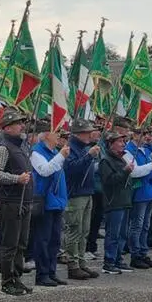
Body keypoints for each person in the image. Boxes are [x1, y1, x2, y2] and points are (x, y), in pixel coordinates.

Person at [0, 107, 34, 296]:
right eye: (18, 123)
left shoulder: (20, 146)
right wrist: (16, 179)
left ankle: (16, 277)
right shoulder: (3, 147)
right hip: (10, 202)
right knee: (9, 243)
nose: (22, 126)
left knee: (21, 243)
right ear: (7, 128)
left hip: (23, 201)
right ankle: (7, 280)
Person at [29, 120, 69, 286]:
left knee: (54, 240)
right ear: (45, 135)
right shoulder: (36, 152)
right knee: (43, 239)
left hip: (57, 201)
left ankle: (51, 271)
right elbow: (44, 171)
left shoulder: (54, 152)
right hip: (45, 201)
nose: (58, 135)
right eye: (55, 132)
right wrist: (61, 156)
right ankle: (42, 273)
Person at [63, 119, 101, 281]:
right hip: (75, 194)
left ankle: (81, 262)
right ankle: (73, 265)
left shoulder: (85, 148)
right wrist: (88, 157)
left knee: (84, 230)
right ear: (78, 134)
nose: (90, 134)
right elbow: (71, 170)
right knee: (74, 230)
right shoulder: (70, 149)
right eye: (87, 132)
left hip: (86, 192)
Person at [98, 128, 134, 275]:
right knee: (113, 233)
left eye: (123, 141)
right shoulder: (106, 161)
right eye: (119, 141)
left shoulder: (121, 158)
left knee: (122, 234)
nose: (123, 144)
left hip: (124, 200)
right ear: (110, 144)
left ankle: (118, 259)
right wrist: (125, 171)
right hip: (114, 201)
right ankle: (109, 261)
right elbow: (109, 181)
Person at [126, 128, 152, 269]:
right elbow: (135, 172)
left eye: (147, 134)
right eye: (142, 134)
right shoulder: (129, 150)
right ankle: (135, 254)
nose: (146, 137)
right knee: (137, 225)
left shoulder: (144, 150)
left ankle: (143, 252)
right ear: (133, 134)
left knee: (145, 225)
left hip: (149, 191)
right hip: (138, 192)